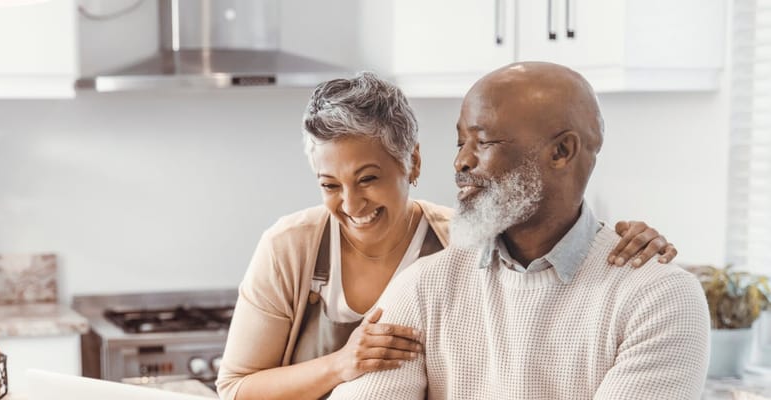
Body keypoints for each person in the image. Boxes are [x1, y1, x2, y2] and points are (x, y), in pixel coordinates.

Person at [216, 72, 679, 400]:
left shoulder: (458, 247)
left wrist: (615, 242)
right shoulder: (293, 247)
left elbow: (552, 245)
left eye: (369, 178)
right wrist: (340, 365)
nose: (351, 204)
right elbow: (236, 388)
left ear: (412, 164)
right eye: (330, 185)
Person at [328, 62, 710, 399]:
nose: (461, 161)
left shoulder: (659, 298)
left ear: (561, 152)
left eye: (483, 141)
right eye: (461, 142)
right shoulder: (422, 288)